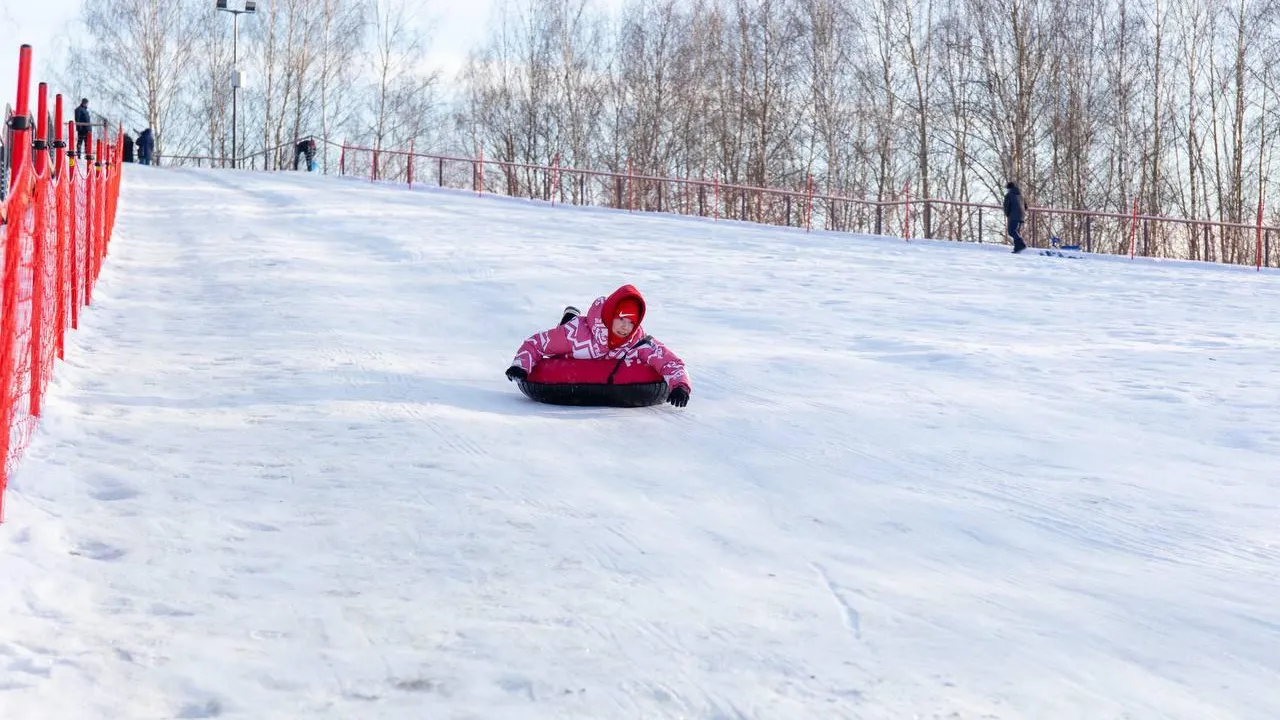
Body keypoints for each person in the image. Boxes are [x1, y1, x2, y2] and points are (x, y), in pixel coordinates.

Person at [505, 284, 692, 408]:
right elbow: (536, 343)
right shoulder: (576, 334)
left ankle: (570, 316)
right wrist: (520, 366)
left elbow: (669, 361)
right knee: (563, 332)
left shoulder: (637, 341)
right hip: (576, 337)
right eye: (621, 319)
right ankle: (569, 318)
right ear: (611, 315)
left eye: (632, 322)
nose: (626, 327)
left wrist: (680, 386)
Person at [1003, 181, 1028, 253]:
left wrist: (1008, 214)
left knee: (1011, 231)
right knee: (1017, 232)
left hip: (1013, 216)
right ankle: (1017, 248)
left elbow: (1006, 207)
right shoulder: (1021, 195)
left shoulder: (1009, 195)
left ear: (1009, 188)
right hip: (1021, 216)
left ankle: (1021, 244)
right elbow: (1026, 206)